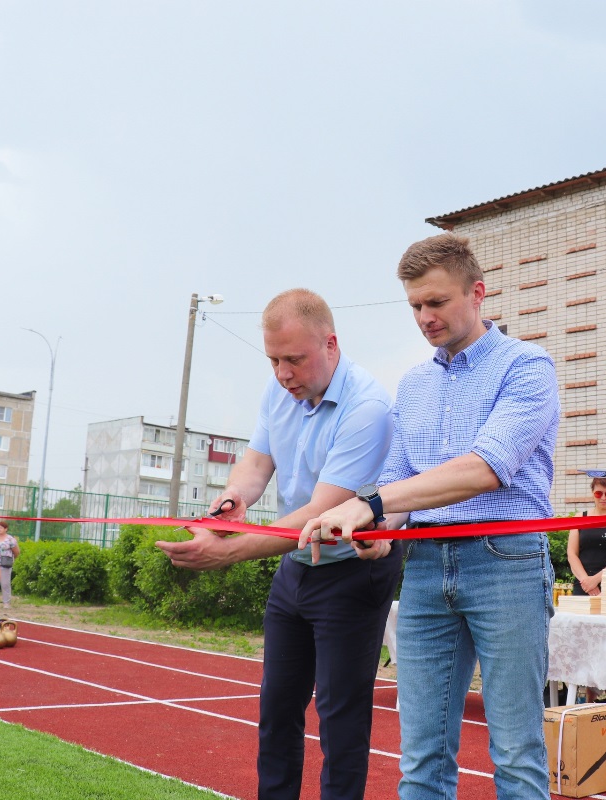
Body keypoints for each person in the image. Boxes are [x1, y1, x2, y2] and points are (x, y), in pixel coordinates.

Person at [302, 233, 560, 800]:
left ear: (478, 293)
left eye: (437, 302)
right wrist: (378, 532)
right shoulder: (414, 384)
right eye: (415, 305)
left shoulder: (527, 367)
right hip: (422, 565)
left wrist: (371, 504)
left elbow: (486, 467)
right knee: (420, 756)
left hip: (506, 563)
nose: (425, 317)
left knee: (516, 753)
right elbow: (397, 482)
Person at [155, 288, 400, 800]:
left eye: (294, 359)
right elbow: (255, 464)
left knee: (340, 716)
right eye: (273, 360)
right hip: (298, 564)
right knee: (277, 708)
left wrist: (227, 552)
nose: (283, 373)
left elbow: (319, 514)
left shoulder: (369, 408)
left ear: (331, 344)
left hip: (353, 570)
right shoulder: (279, 391)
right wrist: (234, 501)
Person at [0, 521, 20, 609]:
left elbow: (16, 551)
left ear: (6, 529)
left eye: (1, 528)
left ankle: (6, 602)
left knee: (5, 583)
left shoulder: (10, 539)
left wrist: (10, 559)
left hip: (5, 564)